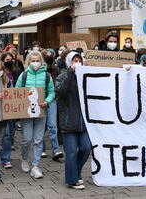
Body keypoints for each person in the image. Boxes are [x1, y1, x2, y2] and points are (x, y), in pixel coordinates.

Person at [16, 50, 56, 179]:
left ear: (41, 62)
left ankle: (36, 165)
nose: (35, 63)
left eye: (37, 60)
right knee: (27, 139)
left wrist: (47, 101)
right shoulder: (23, 75)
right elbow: (16, 92)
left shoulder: (47, 76)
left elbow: (51, 92)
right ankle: (24, 158)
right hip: (26, 112)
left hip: (41, 111)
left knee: (38, 140)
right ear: (28, 62)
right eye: (32, 61)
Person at [56, 51, 92, 190]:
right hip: (68, 122)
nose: (77, 62)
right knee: (71, 152)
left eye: (79, 60)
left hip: (83, 122)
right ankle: (72, 180)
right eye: (74, 60)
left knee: (86, 148)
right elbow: (61, 92)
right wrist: (71, 74)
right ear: (69, 62)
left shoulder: (86, 76)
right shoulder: (62, 76)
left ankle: (75, 172)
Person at [41, 49, 63, 161]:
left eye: (50, 56)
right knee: (42, 126)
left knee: (53, 125)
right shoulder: (39, 70)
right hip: (40, 99)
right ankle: (42, 148)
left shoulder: (55, 70)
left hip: (52, 99)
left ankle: (56, 149)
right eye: (46, 56)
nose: (49, 57)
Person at [0, 51, 21, 169]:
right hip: (0, 105)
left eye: (10, 59)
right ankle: (3, 157)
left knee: (9, 134)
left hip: (12, 106)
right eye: (6, 60)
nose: (8, 62)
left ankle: (6, 157)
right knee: (3, 134)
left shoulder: (17, 72)